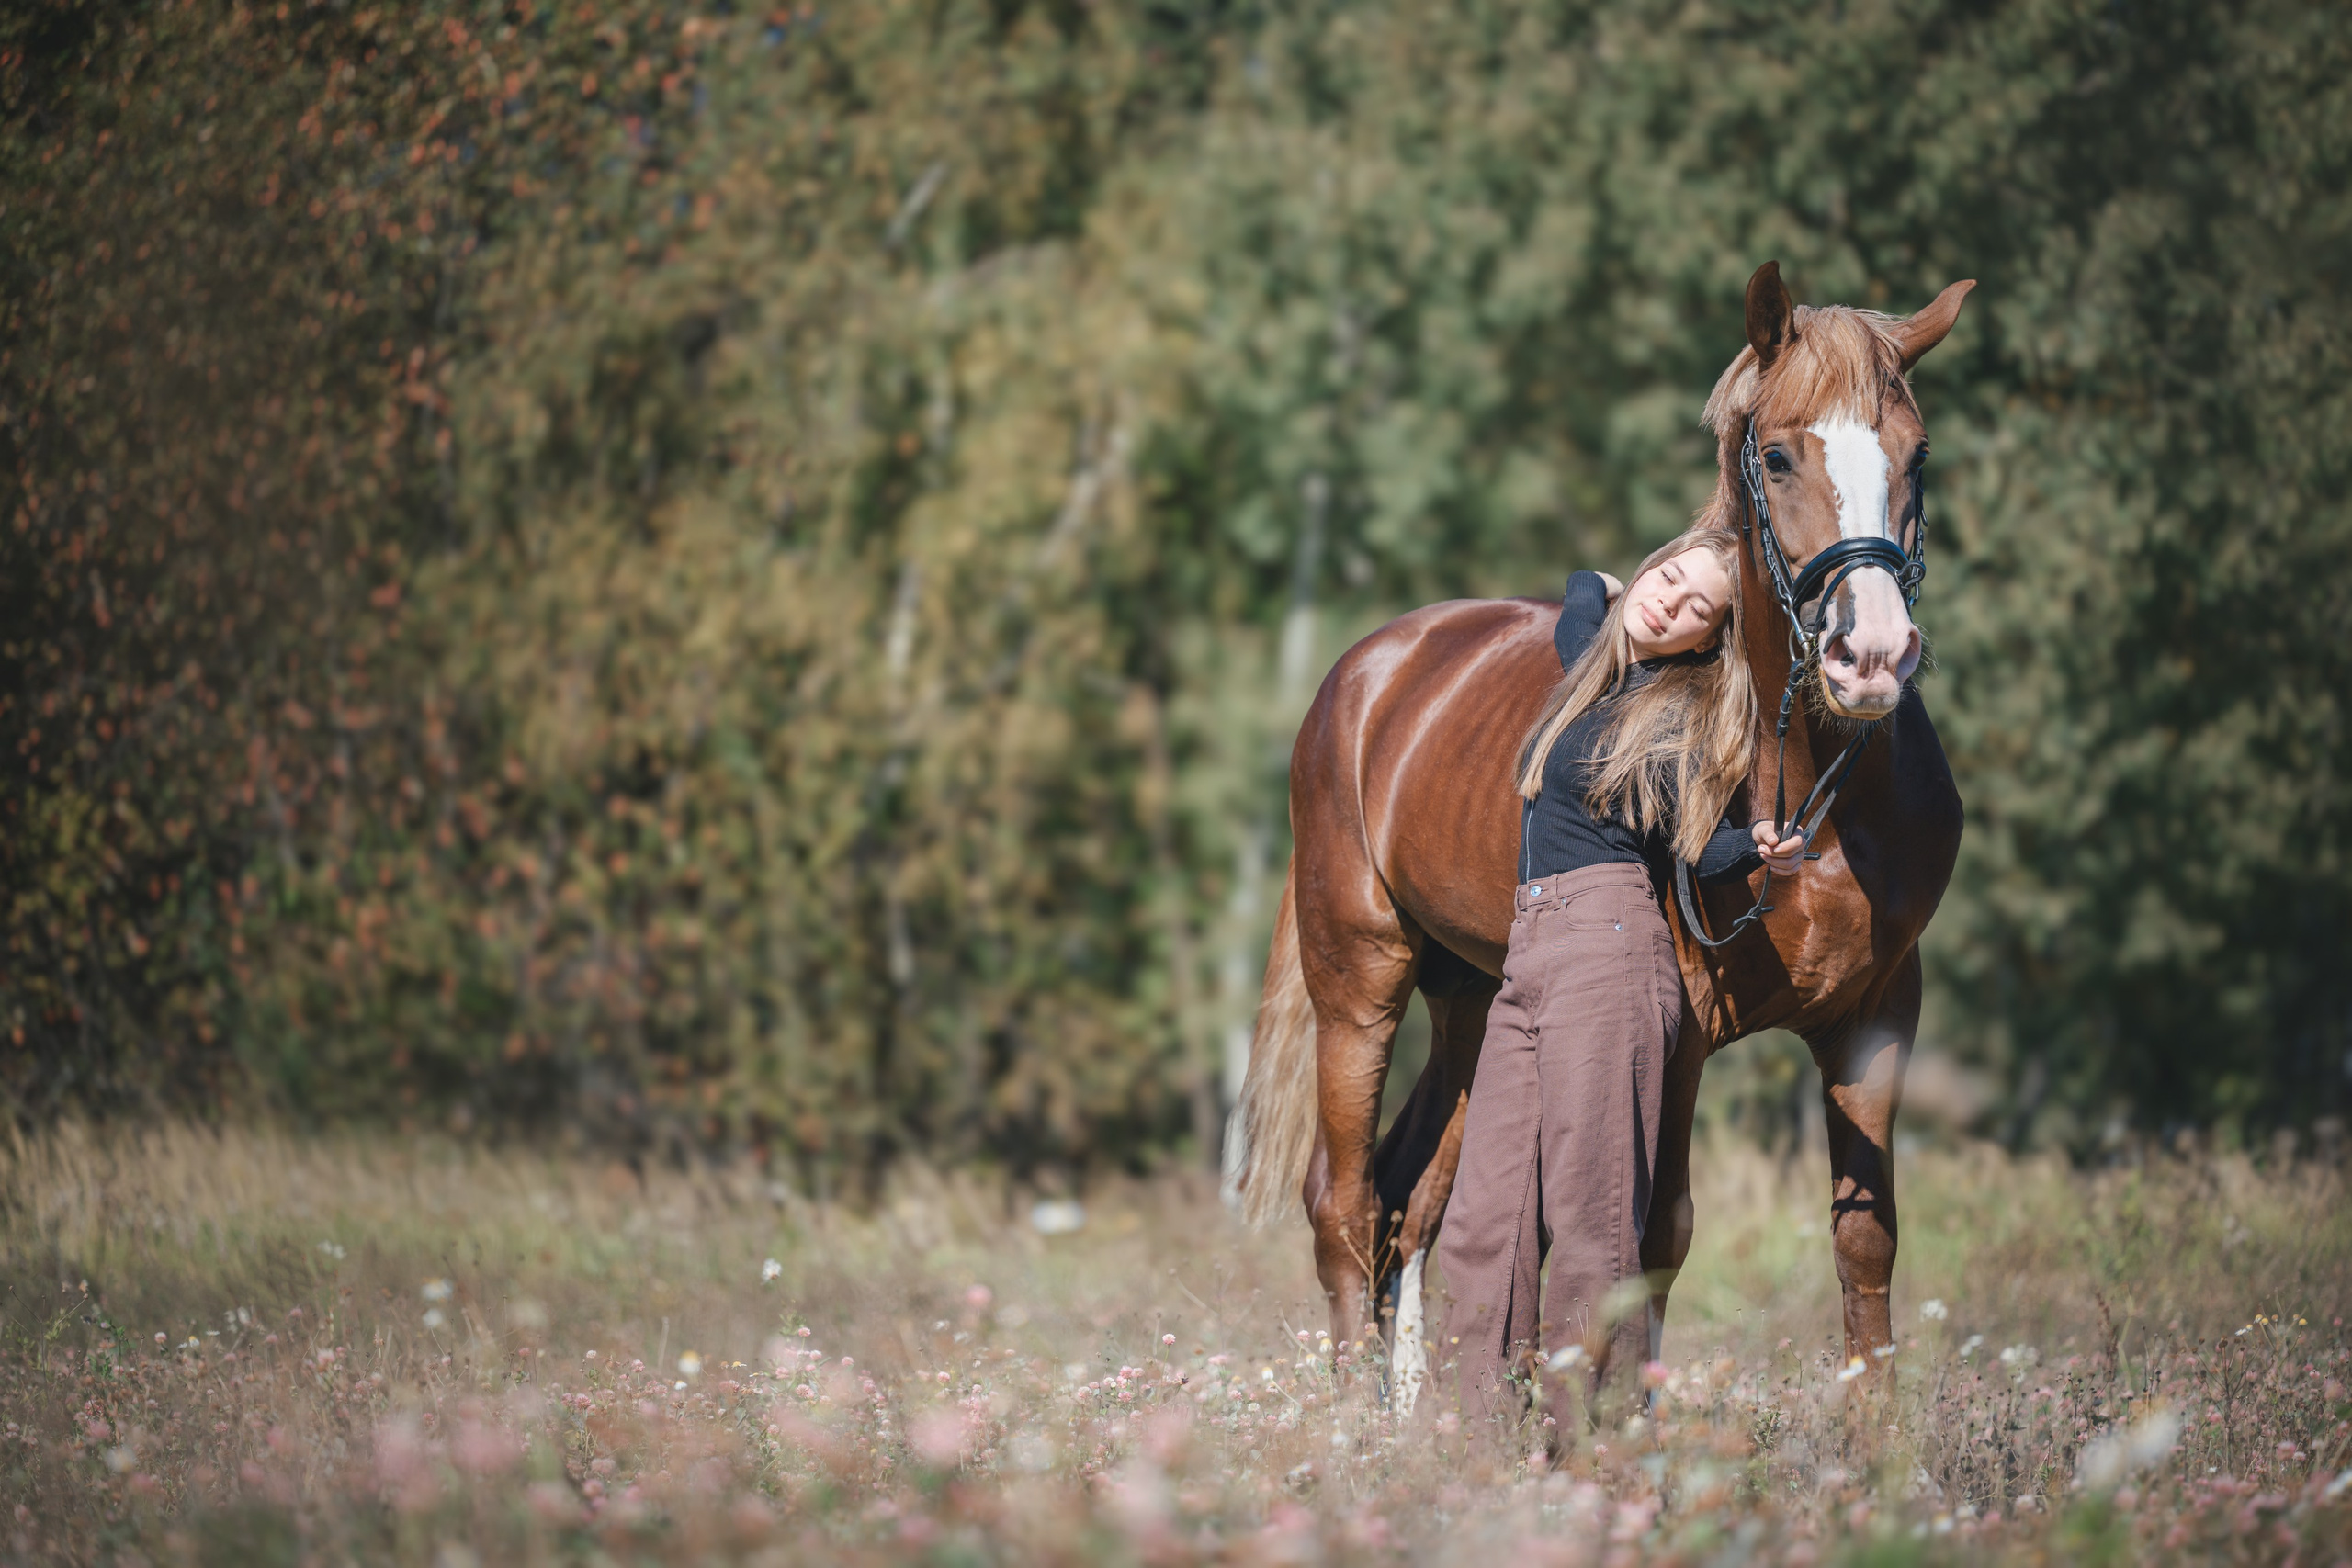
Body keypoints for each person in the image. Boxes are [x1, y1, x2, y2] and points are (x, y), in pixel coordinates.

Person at [1433, 522, 1805, 1436]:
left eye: (1695, 611)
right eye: (1669, 578)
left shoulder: (1681, 711)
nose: (1669, 602)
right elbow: (1582, 582)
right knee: (1483, 1218)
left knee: (1591, 1220)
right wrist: (1642, 574)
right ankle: (1471, 1450)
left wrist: (1755, 849)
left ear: (1704, 642)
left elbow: (1686, 853)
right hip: (1529, 949)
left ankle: (1596, 1458)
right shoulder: (1588, 668)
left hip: (1608, 951)